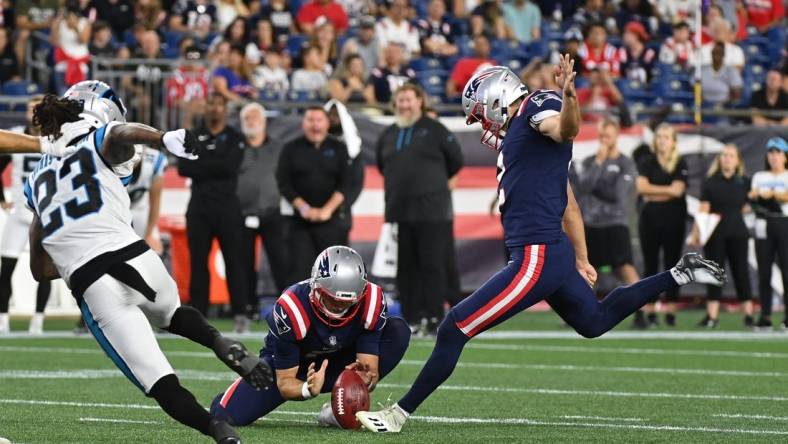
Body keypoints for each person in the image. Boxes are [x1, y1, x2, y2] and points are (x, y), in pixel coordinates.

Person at [355, 59, 725, 433]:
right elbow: (569, 202)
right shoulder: (523, 137)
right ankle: (678, 273)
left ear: (497, 97)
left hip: (536, 254)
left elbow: (565, 128)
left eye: (482, 113)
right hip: (555, 250)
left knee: (454, 327)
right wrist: (580, 257)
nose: (483, 122)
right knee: (593, 322)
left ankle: (397, 415)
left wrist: (569, 96)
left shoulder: (536, 108)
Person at [25, 90, 272, 443]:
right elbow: (118, 134)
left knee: (160, 382)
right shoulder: (97, 137)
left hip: (91, 281)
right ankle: (216, 340)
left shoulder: (36, 180)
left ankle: (218, 431)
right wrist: (162, 138)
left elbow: (39, 268)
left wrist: (65, 259)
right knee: (172, 313)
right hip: (135, 255)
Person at [210, 246, 410, 427]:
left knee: (398, 331)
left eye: (347, 303)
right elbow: (286, 382)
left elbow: (369, 365)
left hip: (339, 358)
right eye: (333, 301)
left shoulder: (371, 300)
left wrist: (364, 379)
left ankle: (337, 411)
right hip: (296, 367)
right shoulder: (292, 307)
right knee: (225, 415)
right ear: (316, 286)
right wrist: (306, 388)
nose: (340, 308)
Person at [375, 84, 463, 334]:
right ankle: (410, 319)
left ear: (419, 102)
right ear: (394, 104)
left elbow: (456, 160)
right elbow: (384, 166)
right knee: (406, 269)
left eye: (409, 100)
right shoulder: (389, 133)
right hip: (400, 211)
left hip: (433, 212)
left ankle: (435, 318)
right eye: (400, 100)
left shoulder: (435, 129)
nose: (404, 105)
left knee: (433, 266)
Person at [177, 93, 250, 331]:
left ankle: (240, 312)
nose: (215, 109)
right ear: (205, 107)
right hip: (199, 207)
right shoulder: (193, 135)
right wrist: (213, 164)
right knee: (198, 262)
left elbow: (230, 167)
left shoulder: (235, 137)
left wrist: (203, 162)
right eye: (211, 103)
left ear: (226, 109)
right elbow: (184, 167)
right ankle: (199, 313)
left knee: (235, 261)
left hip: (228, 207)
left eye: (219, 104)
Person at [276, 107, 353, 284]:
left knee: (334, 275)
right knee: (299, 273)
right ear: (303, 124)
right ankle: (299, 311)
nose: (315, 125)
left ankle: (334, 312)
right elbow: (283, 183)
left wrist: (327, 210)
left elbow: (347, 183)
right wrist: (304, 208)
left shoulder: (339, 149)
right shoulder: (290, 149)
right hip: (299, 223)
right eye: (310, 120)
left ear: (327, 123)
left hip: (332, 222)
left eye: (319, 120)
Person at [0, 96, 53, 335]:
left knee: (45, 271)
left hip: (46, 215)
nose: (33, 111)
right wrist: (2, 199)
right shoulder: (16, 135)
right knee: (6, 267)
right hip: (20, 212)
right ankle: (2, 319)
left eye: (38, 106)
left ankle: (38, 320)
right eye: (30, 107)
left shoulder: (57, 137)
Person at [690, 145, 754, 328]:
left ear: (737, 160)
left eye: (731, 156)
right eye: (724, 155)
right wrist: (696, 232)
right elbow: (703, 209)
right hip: (715, 235)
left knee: (741, 273)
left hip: (738, 234)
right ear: (720, 159)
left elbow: (749, 206)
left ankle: (748, 315)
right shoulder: (711, 182)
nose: (727, 158)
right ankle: (712, 316)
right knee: (713, 274)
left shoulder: (744, 182)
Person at [576, 118, 639, 299]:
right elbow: (583, 187)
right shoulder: (590, 161)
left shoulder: (625, 163)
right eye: (602, 136)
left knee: (625, 267)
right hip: (592, 223)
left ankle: (642, 313)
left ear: (616, 136)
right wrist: (599, 162)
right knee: (585, 269)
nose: (604, 140)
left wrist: (597, 187)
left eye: (608, 136)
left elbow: (618, 195)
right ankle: (580, 310)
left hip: (615, 223)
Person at [236, 103, 290, 307]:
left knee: (281, 262)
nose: (251, 123)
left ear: (264, 122)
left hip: (273, 213)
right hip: (241, 214)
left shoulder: (279, 148)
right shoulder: (235, 148)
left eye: (255, 118)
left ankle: (287, 305)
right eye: (247, 119)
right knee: (243, 264)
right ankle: (246, 307)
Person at [636, 123, 689, 327]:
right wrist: (665, 191)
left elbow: (678, 190)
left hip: (674, 221)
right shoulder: (646, 161)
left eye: (666, 137)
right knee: (650, 265)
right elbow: (641, 188)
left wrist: (653, 193)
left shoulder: (680, 162)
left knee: (673, 265)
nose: (662, 141)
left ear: (673, 141)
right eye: (659, 137)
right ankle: (650, 311)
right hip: (649, 220)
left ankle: (671, 310)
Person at [749, 137, 788, 330]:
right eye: (771, 153)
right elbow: (752, 197)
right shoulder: (759, 176)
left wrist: (771, 195)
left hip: (784, 223)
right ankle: (765, 315)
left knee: (787, 271)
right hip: (764, 223)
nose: (774, 157)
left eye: (778, 152)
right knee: (764, 271)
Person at [127, 147, 167, 254]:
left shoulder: (154, 159)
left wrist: (149, 234)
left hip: (139, 208)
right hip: (116, 212)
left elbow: (155, 202)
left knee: (155, 251)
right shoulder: (110, 159)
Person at [446, 35, 495, 100]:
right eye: (479, 45)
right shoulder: (464, 63)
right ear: (474, 47)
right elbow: (451, 87)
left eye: (485, 44)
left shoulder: (494, 64)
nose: (482, 47)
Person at [701, 41, 742, 107]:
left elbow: (737, 93)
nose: (716, 56)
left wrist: (726, 105)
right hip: (705, 105)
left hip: (724, 105)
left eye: (719, 53)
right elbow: (695, 89)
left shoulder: (731, 71)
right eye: (714, 53)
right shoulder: (703, 70)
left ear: (723, 55)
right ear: (711, 54)